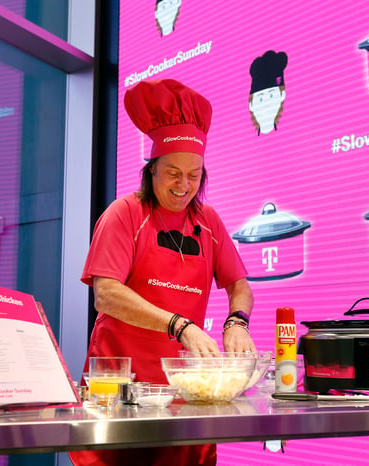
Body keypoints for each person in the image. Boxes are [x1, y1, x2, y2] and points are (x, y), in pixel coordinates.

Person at [70, 78, 256, 466]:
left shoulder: (208, 222)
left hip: (186, 396)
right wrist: (180, 325)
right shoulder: (125, 214)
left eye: (193, 175)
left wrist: (236, 321)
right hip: (120, 393)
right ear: (151, 169)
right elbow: (106, 293)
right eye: (173, 172)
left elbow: (239, 284)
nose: (183, 185)